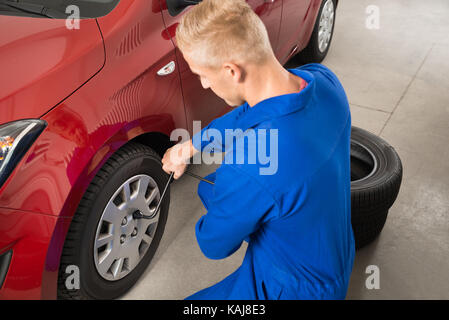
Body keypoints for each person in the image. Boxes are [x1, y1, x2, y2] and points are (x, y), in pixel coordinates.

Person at [161, 0, 355, 299]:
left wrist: (220, 195)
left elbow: (214, 245)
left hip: (289, 288)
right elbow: (252, 113)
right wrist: (191, 146)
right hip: (333, 258)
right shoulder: (324, 81)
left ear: (231, 71)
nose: (203, 83)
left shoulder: (251, 167)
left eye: (202, 74)